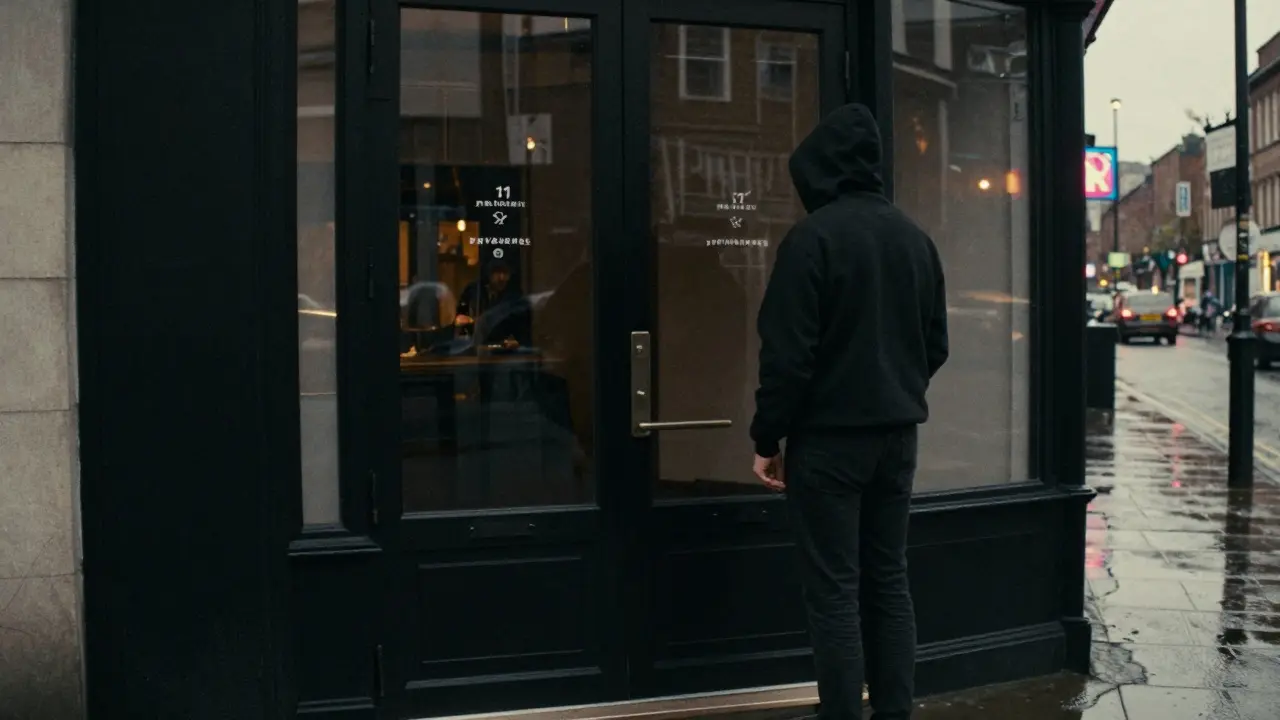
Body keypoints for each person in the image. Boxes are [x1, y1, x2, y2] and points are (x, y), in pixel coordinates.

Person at [749, 103, 949, 720]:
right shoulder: (915, 240)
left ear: (818, 169)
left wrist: (767, 438)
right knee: (888, 581)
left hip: (829, 443)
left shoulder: (812, 240)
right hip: (897, 438)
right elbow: (936, 344)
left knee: (834, 592)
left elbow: (788, 357)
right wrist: (896, 388)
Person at [455, 259, 530, 347]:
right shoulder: (474, 290)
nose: (501, 278)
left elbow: (520, 325)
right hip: (475, 344)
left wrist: (517, 341)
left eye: (505, 273)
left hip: (503, 347)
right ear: (489, 274)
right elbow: (461, 315)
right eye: (497, 273)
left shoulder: (514, 296)